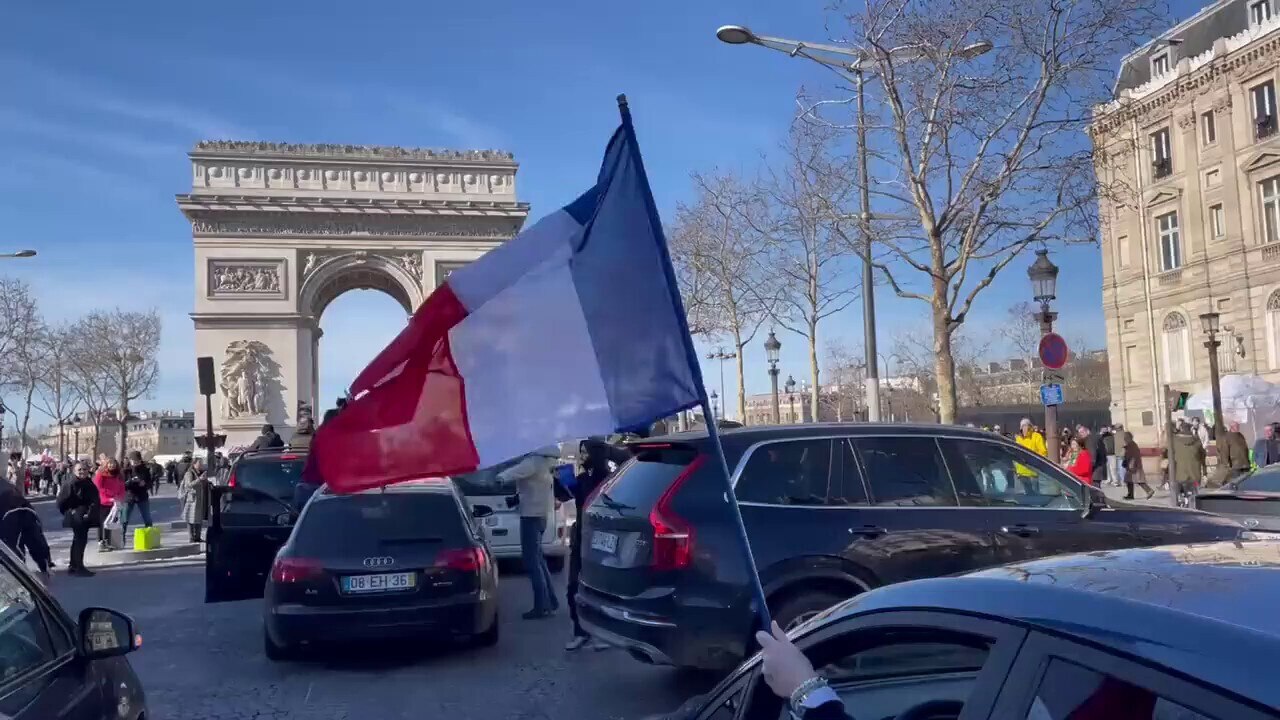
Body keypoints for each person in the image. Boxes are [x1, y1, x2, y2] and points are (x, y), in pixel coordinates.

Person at [565, 437, 629, 651]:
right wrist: (558, 481)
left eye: (586, 452)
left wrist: (609, 450)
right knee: (573, 586)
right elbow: (563, 495)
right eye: (581, 452)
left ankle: (605, 633)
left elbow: (628, 459)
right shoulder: (582, 478)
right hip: (580, 539)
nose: (582, 457)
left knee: (601, 590)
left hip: (601, 541)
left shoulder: (611, 479)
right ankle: (580, 631)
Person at [499, 444, 562, 619]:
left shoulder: (532, 462)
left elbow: (509, 474)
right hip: (541, 516)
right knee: (539, 561)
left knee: (532, 562)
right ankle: (550, 601)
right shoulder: (546, 463)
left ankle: (541, 606)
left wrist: (498, 477)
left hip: (530, 516)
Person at [0, 479, 51, 586]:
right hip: (24, 511)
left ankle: (20, 576)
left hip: (11, 514)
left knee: (14, 546)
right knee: (32, 541)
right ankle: (43, 568)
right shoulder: (5, 483)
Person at [57, 462, 101, 576]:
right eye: (79, 469)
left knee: (79, 540)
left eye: (85, 469)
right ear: (74, 471)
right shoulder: (71, 483)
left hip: (85, 515)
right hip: (77, 515)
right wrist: (71, 512)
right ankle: (78, 567)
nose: (82, 471)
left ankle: (73, 565)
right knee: (79, 540)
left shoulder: (87, 482)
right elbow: (61, 501)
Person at [92, 457, 126, 551]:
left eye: (113, 463)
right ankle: (101, 542)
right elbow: (98, 488)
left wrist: (119, 498)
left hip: (115, 503)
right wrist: (110, 496)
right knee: (103, 523)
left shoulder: (119, 475)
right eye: (110, 463)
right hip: (103, 502)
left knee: (110, 523)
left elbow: (122, 488)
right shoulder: (100, 475)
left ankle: (107, 541)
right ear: (106, 464)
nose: (112, 465)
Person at [121, 451, 154, 542]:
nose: (135, 463)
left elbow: (150, 482)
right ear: (130, 461)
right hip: (129, 496)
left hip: (142, 496)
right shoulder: (126, 470)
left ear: (140, 460)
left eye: (137, 461)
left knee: (147, 517)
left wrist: (145, 484)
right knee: (124, 519)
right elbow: (122, 485)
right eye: (133, 461)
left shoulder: (145, 469)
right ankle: (121, 537)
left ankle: (149, 537)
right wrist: (131, 481)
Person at [1171, 420, 1206, 504]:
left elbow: (1169, 454)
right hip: (1195, 474)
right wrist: (1204, 472)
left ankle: (1182, 502)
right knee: (1194, 495)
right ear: (1190, 429)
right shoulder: (1197, 440)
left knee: (1179, 496)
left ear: (1181, 428)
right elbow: (1203, 455)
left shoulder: (1174, 440)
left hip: (1180, 474)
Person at [1213, 421, 1252, 487]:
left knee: (1245, 482)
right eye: (1236, 426)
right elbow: (1225, 452)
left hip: (1245, 463)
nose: (1238, 427)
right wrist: (1226, 463)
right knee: (1236, 482)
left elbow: (1245, 448)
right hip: (1235, 464)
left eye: (1238, 426)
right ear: (1232, 427)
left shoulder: (1240, 435)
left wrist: (1247, 460)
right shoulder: (1227, 437)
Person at [179, 457, 208, 542]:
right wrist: (199, 479)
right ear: (194, 464)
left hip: (200, 498)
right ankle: (192, 537)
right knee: (191, 518)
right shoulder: (189, 473)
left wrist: (205, 480)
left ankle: (198, 536)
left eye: (201, 463)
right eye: (199, 463)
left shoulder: (200, 473)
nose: (201, 465)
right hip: (192, 499)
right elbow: (188, 485)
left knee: (198, 518)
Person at [1121, 431, 1155, 500]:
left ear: (1129, 438)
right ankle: (1131, 494)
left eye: (1125, 437)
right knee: (1131, 480)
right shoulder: (1130, 445)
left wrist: (1131, 464)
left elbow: (1133, 456)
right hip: (1133, 466)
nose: (1124, 439)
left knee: (1137, 480)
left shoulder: (1132, 445)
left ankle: (1148, 491)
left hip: (1133, 466)